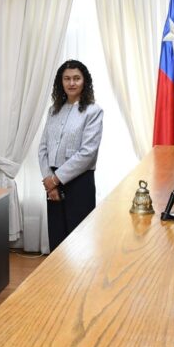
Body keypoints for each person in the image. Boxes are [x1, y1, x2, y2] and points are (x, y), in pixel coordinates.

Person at [37, 59, 104, 252]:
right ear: (61, 82)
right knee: (57, 239)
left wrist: (55, 180)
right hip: (52, 183)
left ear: (85, 81)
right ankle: (55, 274)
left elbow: (88, 153)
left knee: (79, 244)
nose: (71, 83)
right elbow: (43, 148)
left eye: (76, 78)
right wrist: (49, 181)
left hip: (79, 183)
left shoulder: (93, 111)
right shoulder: (53, 111)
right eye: (67, 78)